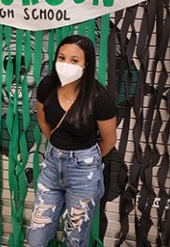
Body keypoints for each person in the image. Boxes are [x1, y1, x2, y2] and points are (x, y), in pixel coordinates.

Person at [26, 35, 117, 247]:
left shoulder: (98, 97)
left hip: (84, 173)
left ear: (86, 64)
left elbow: (109, 140)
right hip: (51, 166)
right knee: (36, 235)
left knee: (75, 237)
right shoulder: (47, 86)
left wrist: (85, 159)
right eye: (62, 57)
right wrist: (59, 146)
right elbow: (42, 120)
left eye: (74, 60)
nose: (66, 64)